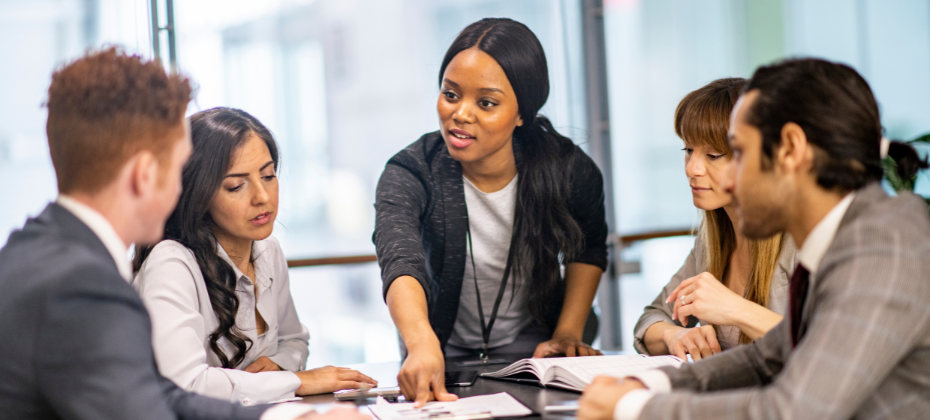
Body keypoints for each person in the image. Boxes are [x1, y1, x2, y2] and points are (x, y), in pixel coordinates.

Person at [0, 47, 366, 420]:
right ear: (144, 175)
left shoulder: (44, 254)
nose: (184, 191)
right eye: (178, 169)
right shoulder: (80, 285)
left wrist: (288, 418)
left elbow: (156, 396)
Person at [578, 58, 930, 420]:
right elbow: (764, 358)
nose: (729, 181)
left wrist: (634, 408)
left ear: (791, 149)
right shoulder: (841, 237)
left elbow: (794, 411)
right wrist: (653, 386)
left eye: (738, 154)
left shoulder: (885, 245)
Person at [373, 18, 608, 405]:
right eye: (451, 95)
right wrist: (420, 342)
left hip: (536, 346)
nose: (461, 114)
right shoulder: (412, 170)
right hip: (439, 345)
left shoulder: (568, 168)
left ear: (521, 113)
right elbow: (400, 260)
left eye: (486, 103)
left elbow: (590, 247)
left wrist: (567, 332)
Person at [132, 107, 377, 404]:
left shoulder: (267, 249)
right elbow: (185, 383)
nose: (262, 196)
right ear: (199, 194)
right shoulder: (171, 263)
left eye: (268, 175)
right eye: (236, 185)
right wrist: (296, 381)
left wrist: (279, 367)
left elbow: (294, 341)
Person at [633, 78, 797, 361]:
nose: (692, 168)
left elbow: (828, 350)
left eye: (713, 154)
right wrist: (675, 335)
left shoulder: (800, 240)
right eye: (688, 150)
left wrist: (734, 308)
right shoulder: (711, 240)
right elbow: (652, 319)